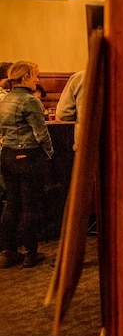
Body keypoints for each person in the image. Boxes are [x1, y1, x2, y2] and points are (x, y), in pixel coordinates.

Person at [0, 61, 54, 268]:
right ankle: (31, 253)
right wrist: (49, 153)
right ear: (25, 78)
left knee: (11, 204)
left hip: (7, 155)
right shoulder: (30, 101)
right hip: (27, 155)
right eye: (35, 76)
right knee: (30, 205)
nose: (37, 80)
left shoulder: (5, 100)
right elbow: (41, 134)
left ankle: (8, 252)